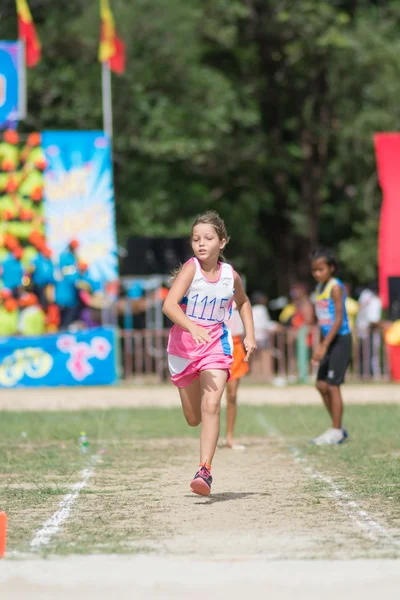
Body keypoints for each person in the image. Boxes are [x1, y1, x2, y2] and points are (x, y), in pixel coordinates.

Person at [162, 211, 256, 496]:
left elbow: (243, 303)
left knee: (212, 405)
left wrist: (250, 334)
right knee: (194, 418)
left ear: (222, 242)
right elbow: (169, 305)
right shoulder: (191, 269)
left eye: (208, 238)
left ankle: (204, 470)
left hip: (215, 346)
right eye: (195, 239)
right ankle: (203, 450)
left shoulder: (230, 276)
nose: (201, 244)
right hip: (183, 350)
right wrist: (191, 327)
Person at [311, 247, 352, 445]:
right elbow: (322, 320)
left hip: (340, 340)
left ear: (331, 268)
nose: (317, 273)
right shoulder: (318, 289)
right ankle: (339, 426)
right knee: (321, 385)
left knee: (333, 385)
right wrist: (319, 345)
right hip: (327, 342)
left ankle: (336, 430)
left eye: (321, 269)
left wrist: (324, 346)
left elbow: (337, 320)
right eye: (314, 270)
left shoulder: (335, 287)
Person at [225, 302, 249, 449]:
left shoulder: (238, 295)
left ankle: (229, 436)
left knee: (232, 395)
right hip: (215, 342)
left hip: (235, 344)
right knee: (210, 396)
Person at [356, 282, 382, 378]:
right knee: (368, 352)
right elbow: (373, 319)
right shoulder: (371, 297)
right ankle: (367, 373)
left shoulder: (366, 295)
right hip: (367, 328)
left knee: (367, 352)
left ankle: (366, 373)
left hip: (365, 327)